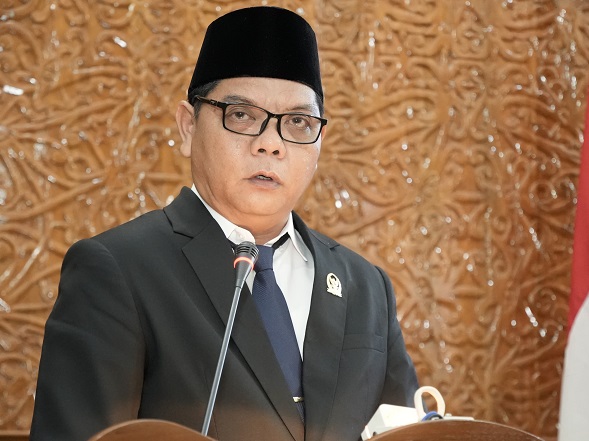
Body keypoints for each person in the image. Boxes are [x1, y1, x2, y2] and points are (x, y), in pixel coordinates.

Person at [30, 6, 419, 441]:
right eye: (242, 115)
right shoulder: (118, 270)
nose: (270, 144)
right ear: (188, 126)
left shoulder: (366, 286)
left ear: (319, 142)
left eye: (297, 122)